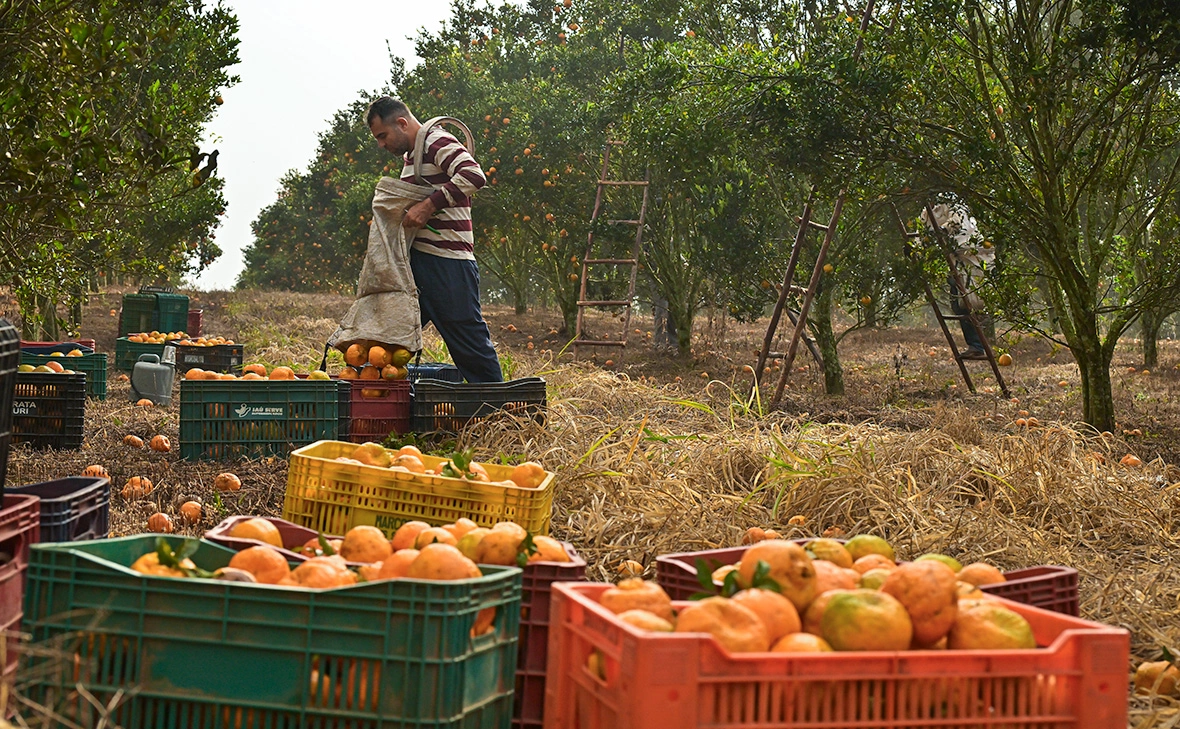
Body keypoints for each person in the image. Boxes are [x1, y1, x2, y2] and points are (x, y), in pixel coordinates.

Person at [366, 96, 503, 383]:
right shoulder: (411, 157)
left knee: (469, 344)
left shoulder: (434, 141)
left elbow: (473, 175)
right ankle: (382, 404)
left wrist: (427, 206)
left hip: (447, 265)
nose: (381, 144)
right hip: (422, 264)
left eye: (383, 136)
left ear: (402, 123)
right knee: (391, 340)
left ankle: (502, 415)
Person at [922, 199, 995, 360]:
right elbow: (924, 234)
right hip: (955, 261)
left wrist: (941, 230)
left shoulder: (950, 200)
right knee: (958, 305)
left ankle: (977, 344)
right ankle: (975, 344)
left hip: (971, 256)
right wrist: (915, 246)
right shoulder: (926, 213)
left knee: (970, 302)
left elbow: (957, 221)